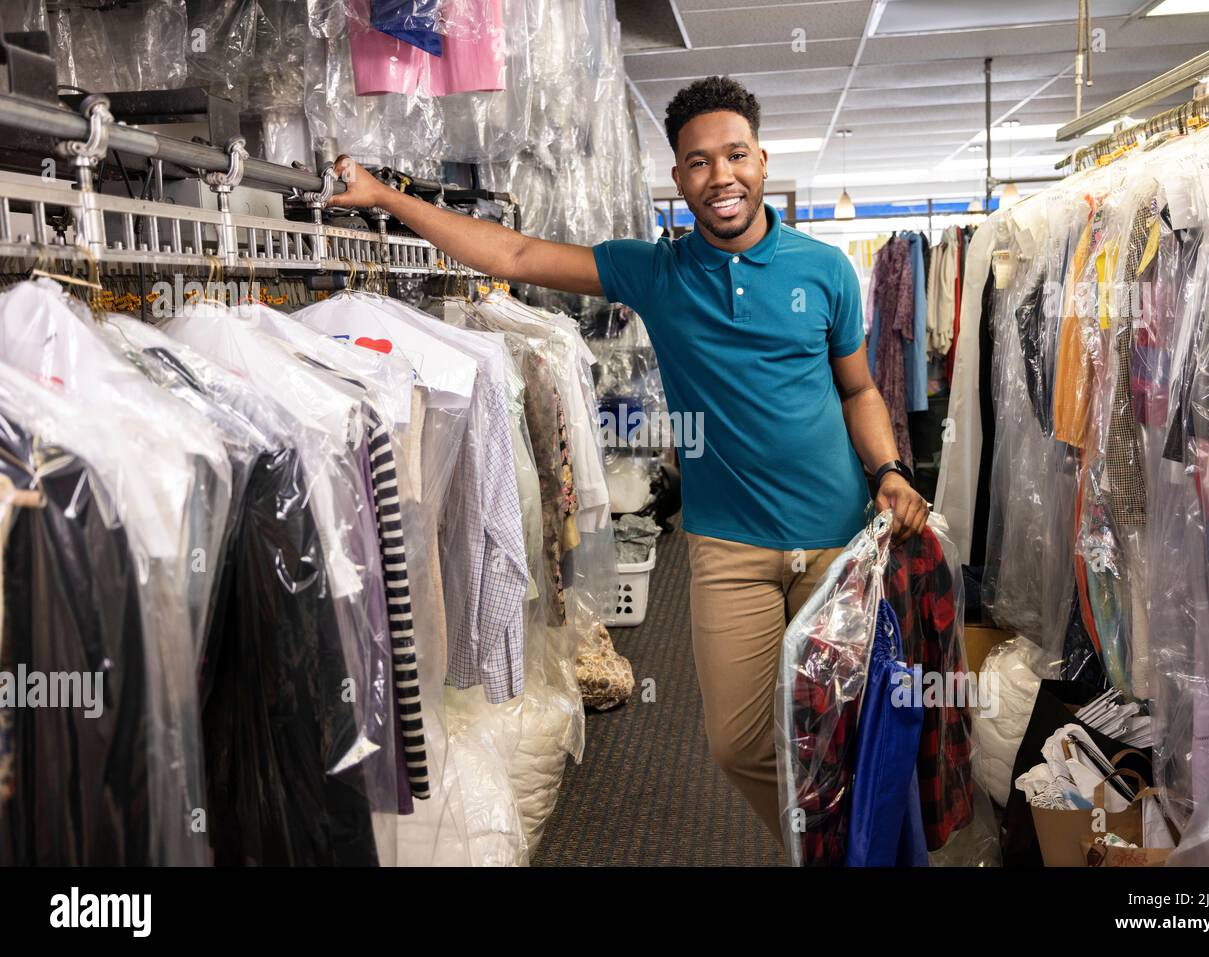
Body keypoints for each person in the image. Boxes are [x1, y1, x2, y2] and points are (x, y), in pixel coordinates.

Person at [328, 74, 930, 843]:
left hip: (840, 542)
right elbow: (513, 251)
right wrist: (389, 198)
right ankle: (832, 842)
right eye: (700, 162)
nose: (722, 177)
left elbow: (859, 390)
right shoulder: (657, 271)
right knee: (737, 740)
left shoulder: (825, 271)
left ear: (763, 160)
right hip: (730, 548)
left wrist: (889, 470)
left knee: (859, 720)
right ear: (678, 179)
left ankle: (854, 846)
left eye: (735, 155)